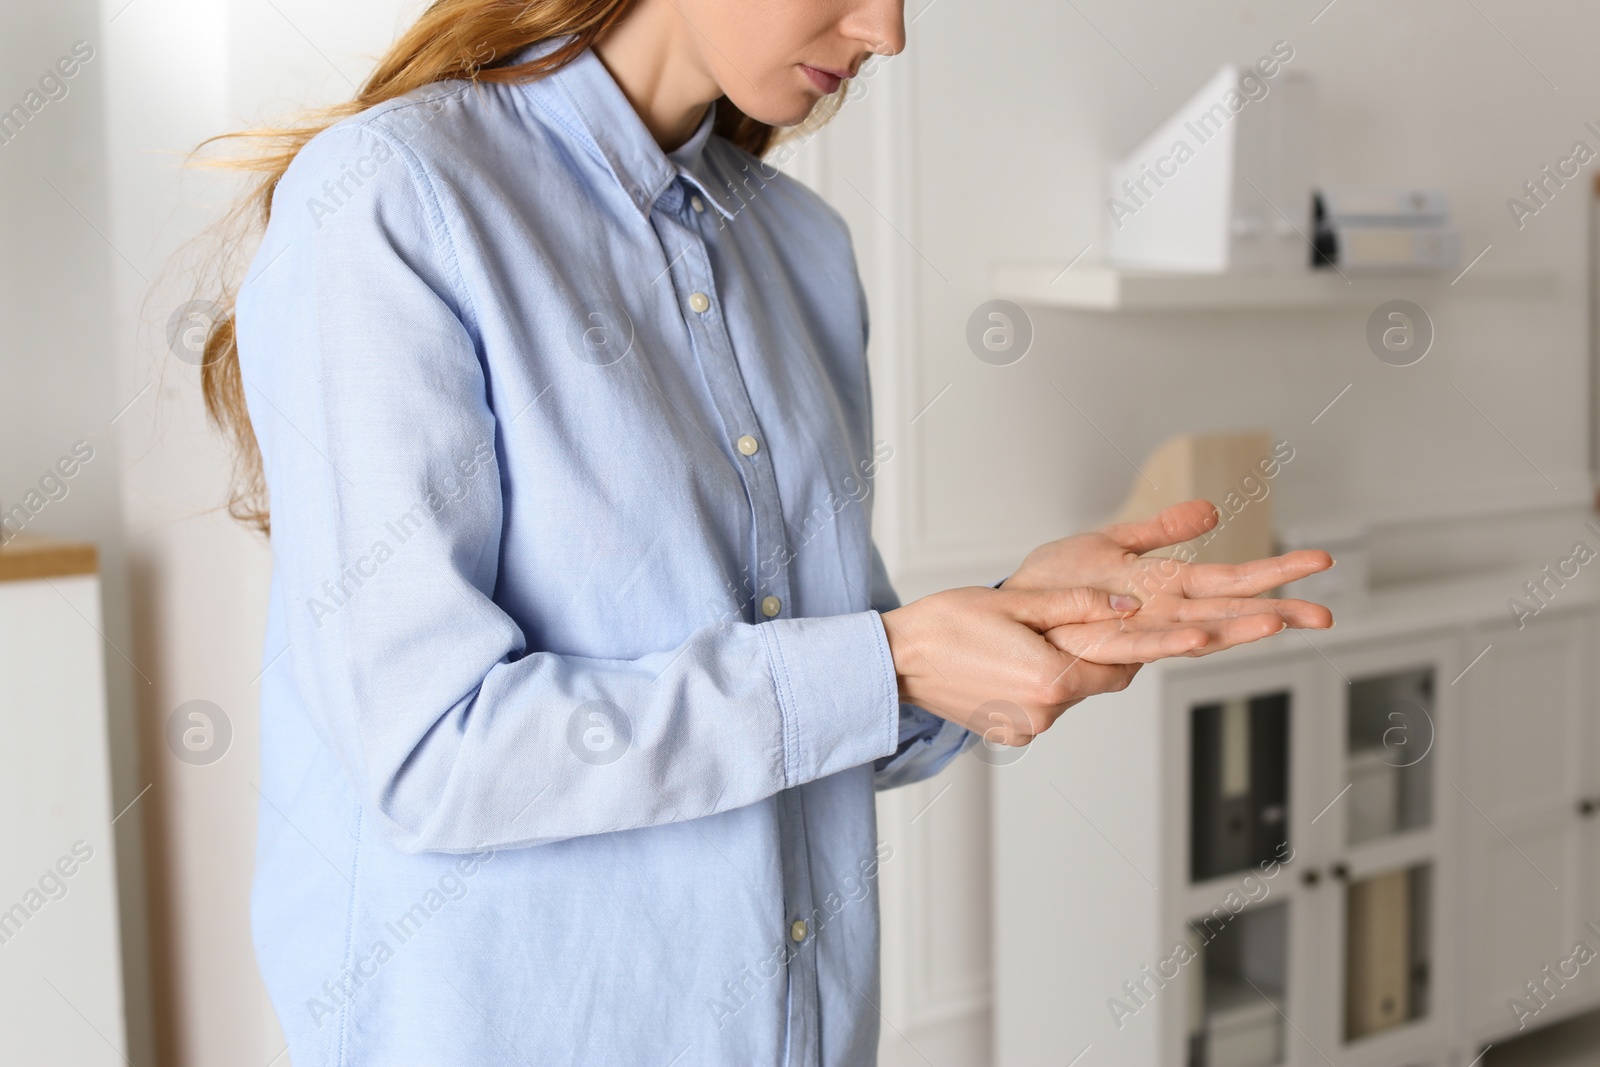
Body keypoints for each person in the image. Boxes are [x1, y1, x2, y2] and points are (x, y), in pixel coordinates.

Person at [197, 0, 1333, 1062]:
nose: (886, 31)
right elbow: (433, 754)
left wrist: (1009, 628)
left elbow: (821, 682)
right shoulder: (396, 196)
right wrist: (890, 659)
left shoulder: (802, 247)